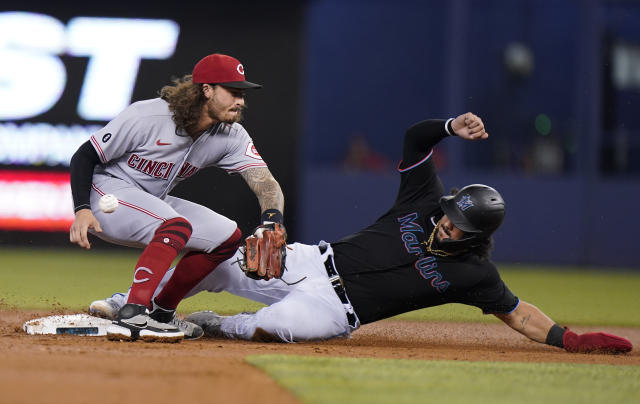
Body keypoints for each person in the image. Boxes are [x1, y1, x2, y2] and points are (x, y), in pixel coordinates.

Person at [90, 112, 632, 354]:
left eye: (457, 225)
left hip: (335, 311)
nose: (446, 224)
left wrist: (570, 338)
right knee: (221, 257)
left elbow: (518, 313)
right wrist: (449, 128)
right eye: (449, 213)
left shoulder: (473, 272)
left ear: (474, 235)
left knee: (275, 328)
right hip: (307, 261)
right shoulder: (423, 202)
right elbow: (415, 140)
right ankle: (134, 305)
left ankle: (212, 327)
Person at [70, 53, 285, 343]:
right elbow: (84, 156)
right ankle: (133, 312)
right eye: (233, 92)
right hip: (107, 197)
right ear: (206, 89)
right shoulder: (148, 115)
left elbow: (265, 183)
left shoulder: (231, 136)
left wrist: (272, 220)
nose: (241, 101)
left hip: (152, 199)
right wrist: (82, 209)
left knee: (227, 236)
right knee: (177, 225)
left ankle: (161, 312)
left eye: (242, 93)